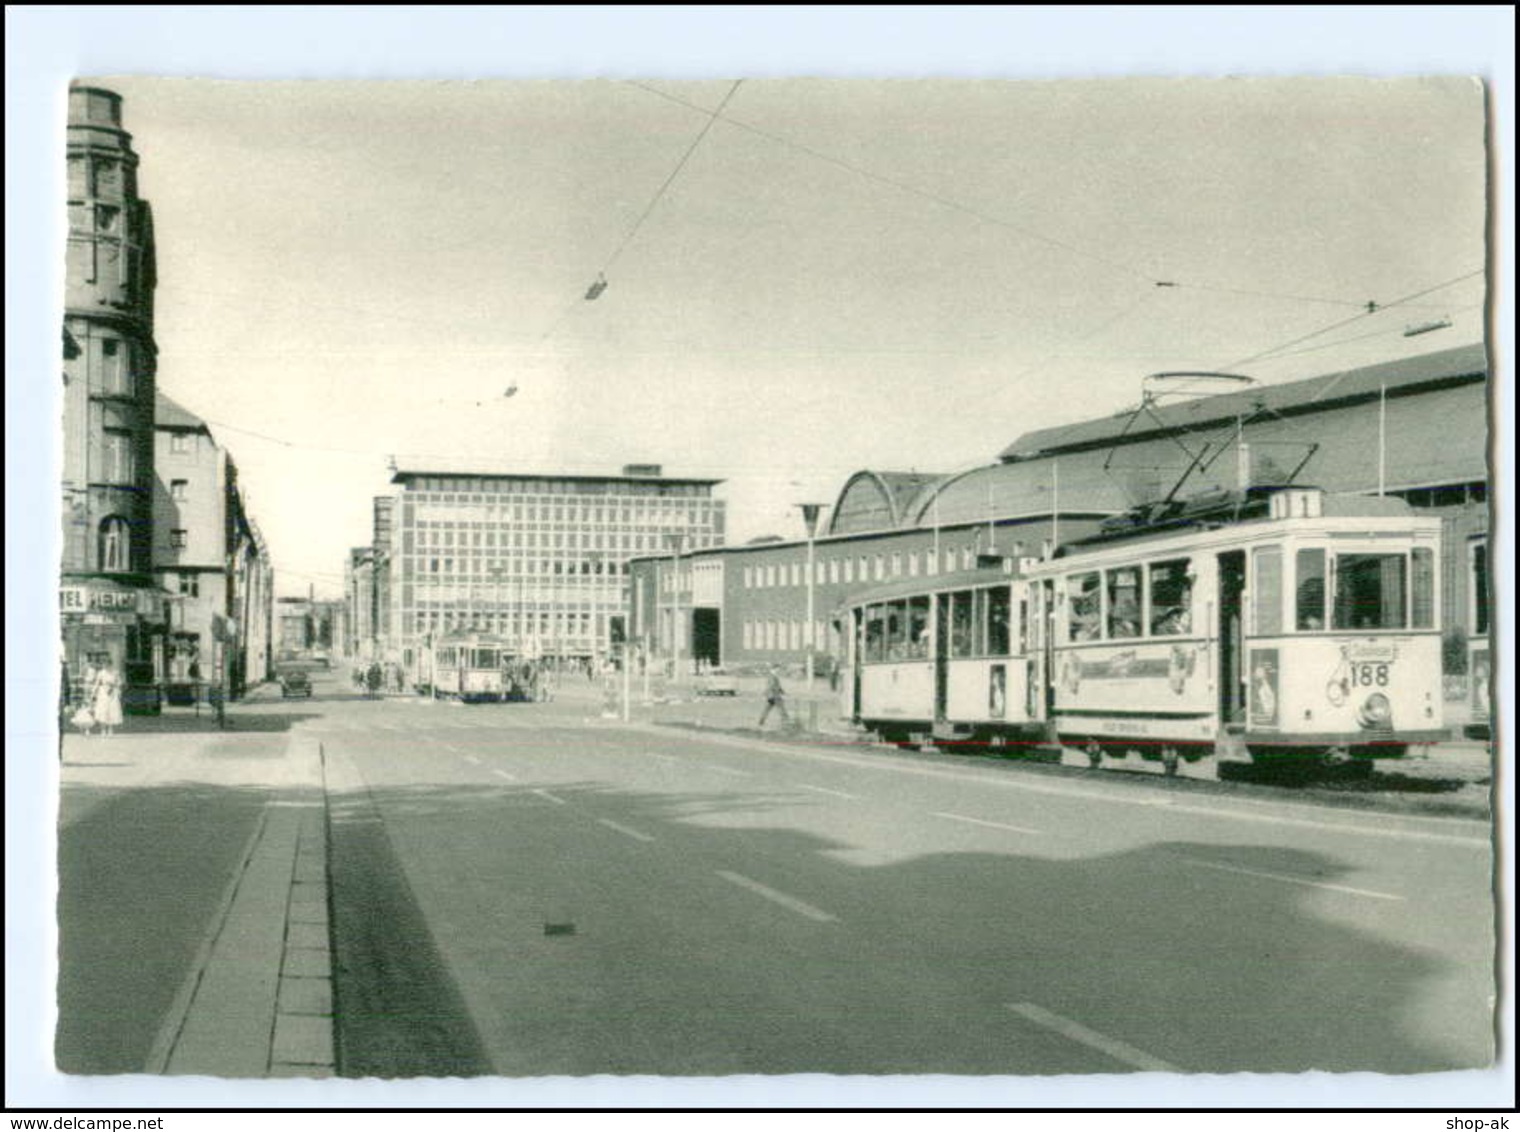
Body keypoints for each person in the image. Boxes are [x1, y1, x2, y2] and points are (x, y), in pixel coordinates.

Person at [92, 660, 124, 737]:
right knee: (103, 710)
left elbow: (119, 682)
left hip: (112, 692)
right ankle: (103, 730)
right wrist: (94, 693)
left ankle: (110, 729)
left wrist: (115, 685)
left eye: (108, 665)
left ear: (111, 664)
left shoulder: (115, 672)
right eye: (104, 664)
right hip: (103, 693)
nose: (106, 666)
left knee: (112, 710)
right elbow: (97, 683)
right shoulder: (101, 673)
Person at [757, 665, 791, 730]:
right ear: (772, 670)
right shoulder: (772, 677)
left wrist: (782, 692)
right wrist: (778, 692)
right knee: (781, 708)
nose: (778, 671)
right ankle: (786, 722)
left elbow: (776, 686)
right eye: (776, 670)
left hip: (771, 695)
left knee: (767, 709)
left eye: (778, 670)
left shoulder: (773, 677)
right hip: (774, 695)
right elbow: (772, 686)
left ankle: (761, 721)